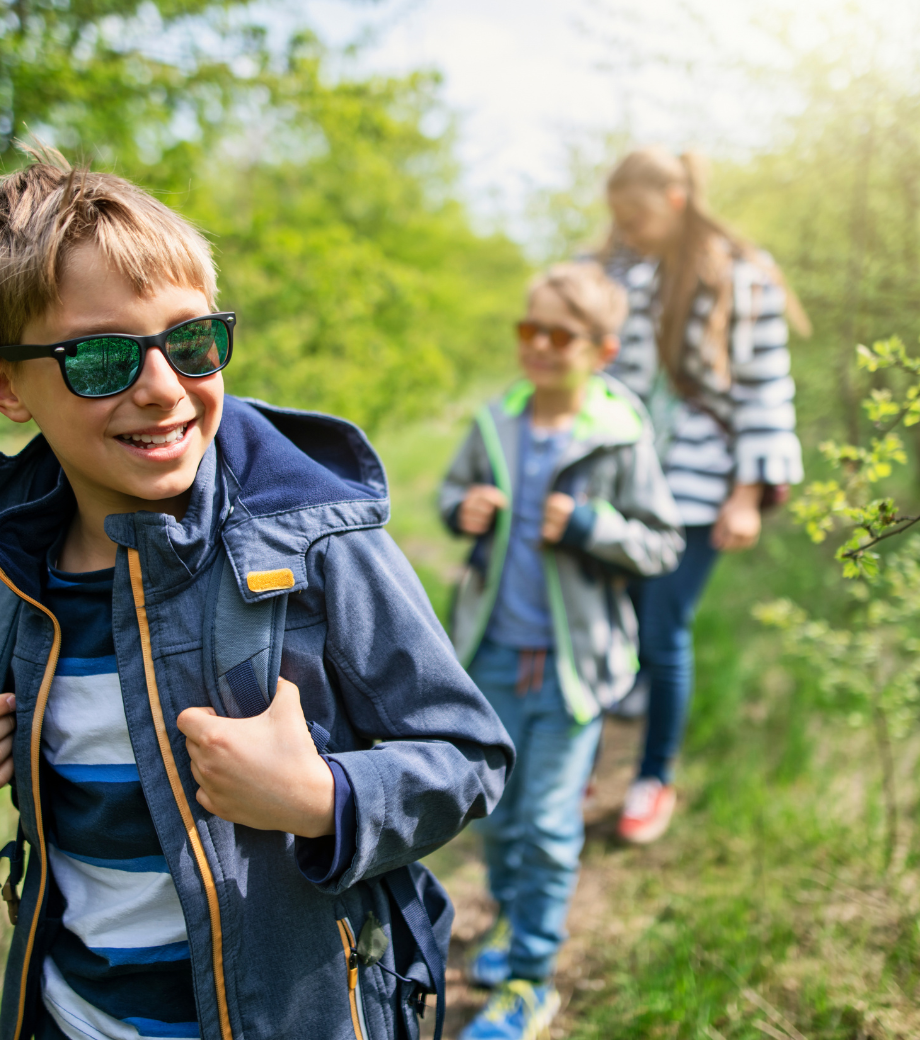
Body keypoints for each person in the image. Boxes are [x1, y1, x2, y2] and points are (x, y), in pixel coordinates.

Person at [0, 147, 514, 1040]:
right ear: (11, 386)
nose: (163, 390)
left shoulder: (316, 540)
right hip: (71, 1017)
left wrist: (321, 798)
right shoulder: (14, 571)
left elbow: (471, 755)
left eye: (190, 342)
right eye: (99, 359)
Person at [439, 261, 684, 1040]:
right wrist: (465, 510)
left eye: (560, 334)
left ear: (602, 350)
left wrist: (588, 526)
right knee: (498, 820)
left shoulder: (620, 435)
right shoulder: (495, 423)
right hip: (490, 659)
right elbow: (452, 495)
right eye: (528, 329)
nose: (539, 346)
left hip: (574, 671)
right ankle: (512, 925)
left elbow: (661, 544)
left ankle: (531, 979)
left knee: (546, 824)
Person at [600, 146, 809, 845]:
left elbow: (765, 389)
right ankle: (599, 748)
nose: (626, 227)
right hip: (623, 477)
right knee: (618, 616)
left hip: (697, 484)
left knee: (665, 628)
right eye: (617, 216)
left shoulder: (742, 273)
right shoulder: (618, 269)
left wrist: (747, 495)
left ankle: (653, 776)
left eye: (637, 214)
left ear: (677, 199)